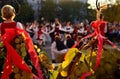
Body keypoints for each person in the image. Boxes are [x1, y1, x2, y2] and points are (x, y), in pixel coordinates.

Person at [0, 5, 43, 79]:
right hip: (18, 50)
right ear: (13, 13)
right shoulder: (17, 24)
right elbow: (23, 37)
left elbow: (1, 39)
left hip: (6, 50)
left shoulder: (1, 25)